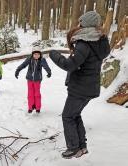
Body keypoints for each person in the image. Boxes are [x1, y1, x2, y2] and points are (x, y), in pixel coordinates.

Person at [49, 11, 110, 159]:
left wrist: (54, 54)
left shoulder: (84, 43)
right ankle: (82, 147)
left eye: (80, 21)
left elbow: (69, 65)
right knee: (75, 115)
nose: (78, 24)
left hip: (80, 89)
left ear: (85, 23)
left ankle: (73, 148)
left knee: (67, 117)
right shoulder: (99, 40)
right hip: (89, 87)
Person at [15, 46, 51, 113]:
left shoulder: (42, 60)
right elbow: (23, 65)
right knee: (30, 94)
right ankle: (31, 107)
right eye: (35, 54)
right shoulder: (29, 59)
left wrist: (49, 72)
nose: (36, 56)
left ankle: (37, 107)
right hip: (29, 79)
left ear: (40, 54)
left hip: (37, 80)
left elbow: (46, 66)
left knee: (37, 94)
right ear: (32, 54)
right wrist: (18, 70)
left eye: (38, 54)